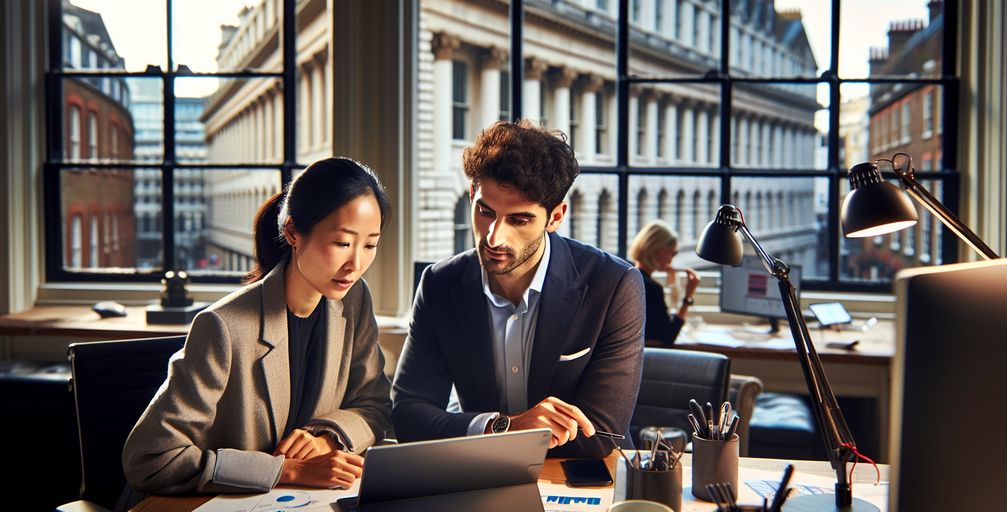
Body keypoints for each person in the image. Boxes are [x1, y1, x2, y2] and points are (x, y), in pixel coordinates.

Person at [123, 157, 394, 494]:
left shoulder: (353, 300)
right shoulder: (223, 326)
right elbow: (151, 459)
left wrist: (326, 438)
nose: (356, 264)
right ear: (293, 232)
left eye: (370, 245)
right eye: (342, 243)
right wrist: (286, 470)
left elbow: (376, 404)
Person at [391, 120, 645, 458]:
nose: (494, 237)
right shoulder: (440, 284)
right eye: (485, 211)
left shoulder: (614, 285)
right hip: (483, 473)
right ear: (472, 195)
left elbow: (602, 432)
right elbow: (408, 415)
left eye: (519, 220)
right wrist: (504, 426)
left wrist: (477, 433)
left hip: (583, 478)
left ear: (555, 217)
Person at [628, 220, 701, 347]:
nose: (670, 259)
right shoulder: (651, 288)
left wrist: (673, 279)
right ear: (656, 250)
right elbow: (668, 337)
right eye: (671, 253)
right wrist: (688, 298)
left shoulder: (630, 276)